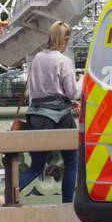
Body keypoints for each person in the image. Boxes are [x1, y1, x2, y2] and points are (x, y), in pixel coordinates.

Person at [19, 21, 80, 204]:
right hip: (60, 117)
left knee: (35, 167)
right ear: (65, 40)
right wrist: (81, 86)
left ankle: (7, 192)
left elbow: (33, 89)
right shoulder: (63, 61)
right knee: (71, 162)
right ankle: (67, 206)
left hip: (37, 116)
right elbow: (73, 93)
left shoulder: (38, 57)